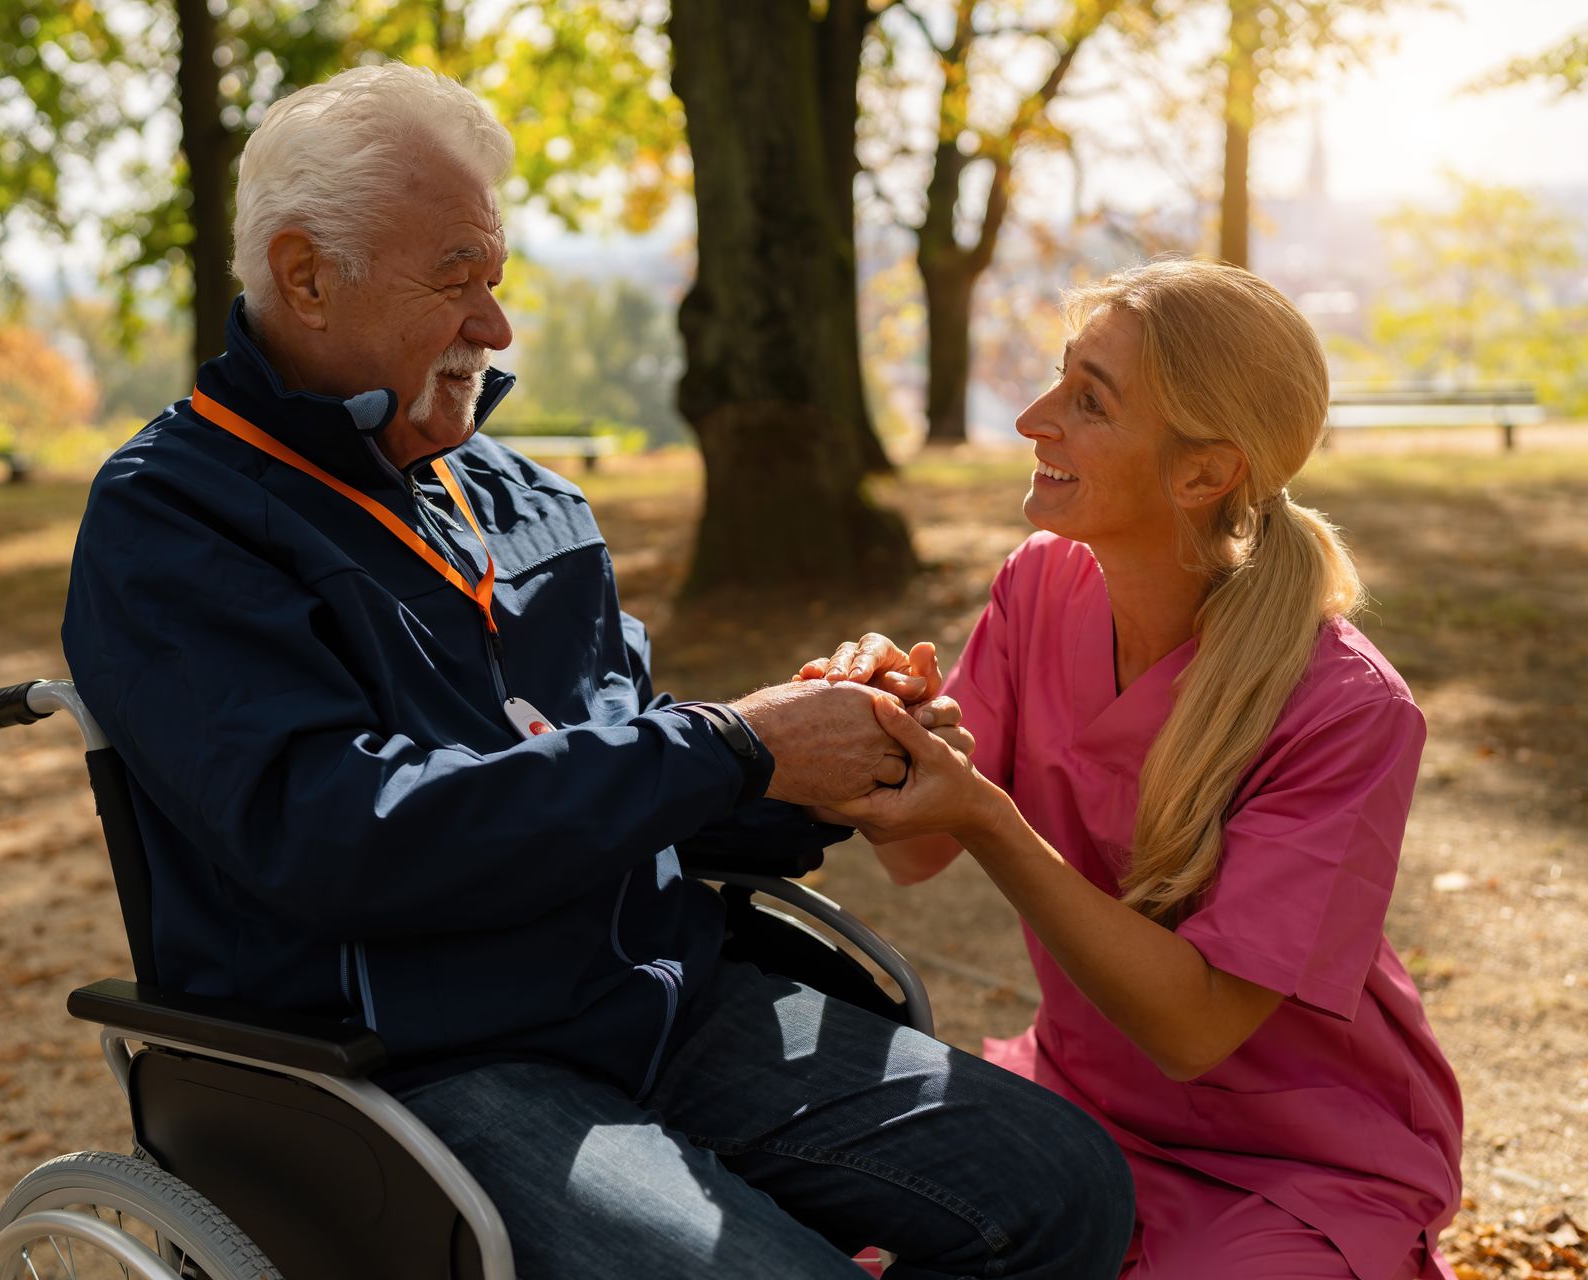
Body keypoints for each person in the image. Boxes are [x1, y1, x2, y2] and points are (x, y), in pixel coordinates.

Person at [61, 62, 1133, 1278]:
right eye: (456, 281)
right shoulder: (178, 521)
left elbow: (622, 772)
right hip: (418, 1057)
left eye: (497, 282)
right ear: (306, 275)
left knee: (1067, 1189)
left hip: (663, 996)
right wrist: (733, 744)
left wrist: (815, 762)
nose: (496, 327)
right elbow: (342, 837)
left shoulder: (532, 502)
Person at [802, 258, 1462, 1280]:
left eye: (1087, 400)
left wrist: (984, 812)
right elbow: (919, 848)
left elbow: (1194, 1026)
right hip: (1078, 1097)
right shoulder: (1040, 585)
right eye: (1056, 378)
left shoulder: (1349, 710)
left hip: (1295, 1156)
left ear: (1204, 472)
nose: (1033, 417)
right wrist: (886, 727)